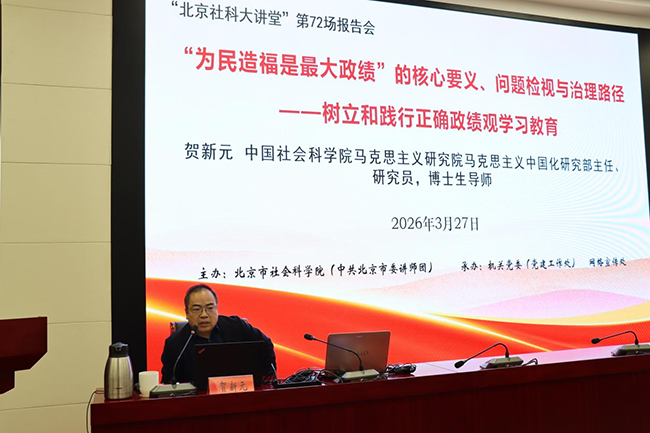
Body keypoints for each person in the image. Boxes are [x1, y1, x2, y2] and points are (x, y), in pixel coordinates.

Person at [161, 283, 276, 384]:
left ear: (217, 308)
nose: (204, 315)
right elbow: (169, 383)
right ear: (186, 313)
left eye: (210, 308)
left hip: (239, 394)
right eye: (196, 309)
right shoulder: (175, 344)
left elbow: (265, 344)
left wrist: (265, 380)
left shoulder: (236, 326)